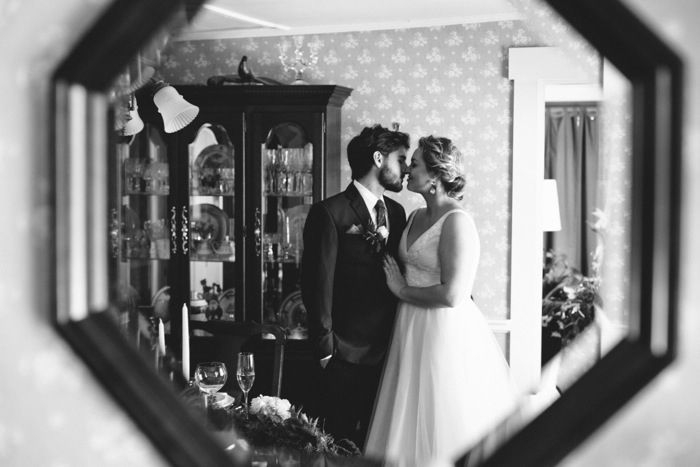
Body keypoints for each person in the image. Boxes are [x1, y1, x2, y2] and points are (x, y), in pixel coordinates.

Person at [364, 136, 518, 466]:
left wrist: (401, 291)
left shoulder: (457, 222)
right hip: (409, 325)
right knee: (407, 410)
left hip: (441, 330)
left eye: (414, 163)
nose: (406, 170)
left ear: (434, 176)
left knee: (439, 413)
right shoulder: (414, 215)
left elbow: (453, 294)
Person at [301, 124, 411, 449]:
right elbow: (316, 284)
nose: (405, 168)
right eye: (400, 159)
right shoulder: (330, 212)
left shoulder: (398, 212)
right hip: (344, 356)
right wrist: (326, 348)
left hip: (390, 353)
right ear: (379, 158)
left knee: (378, 445)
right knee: (340, 446)